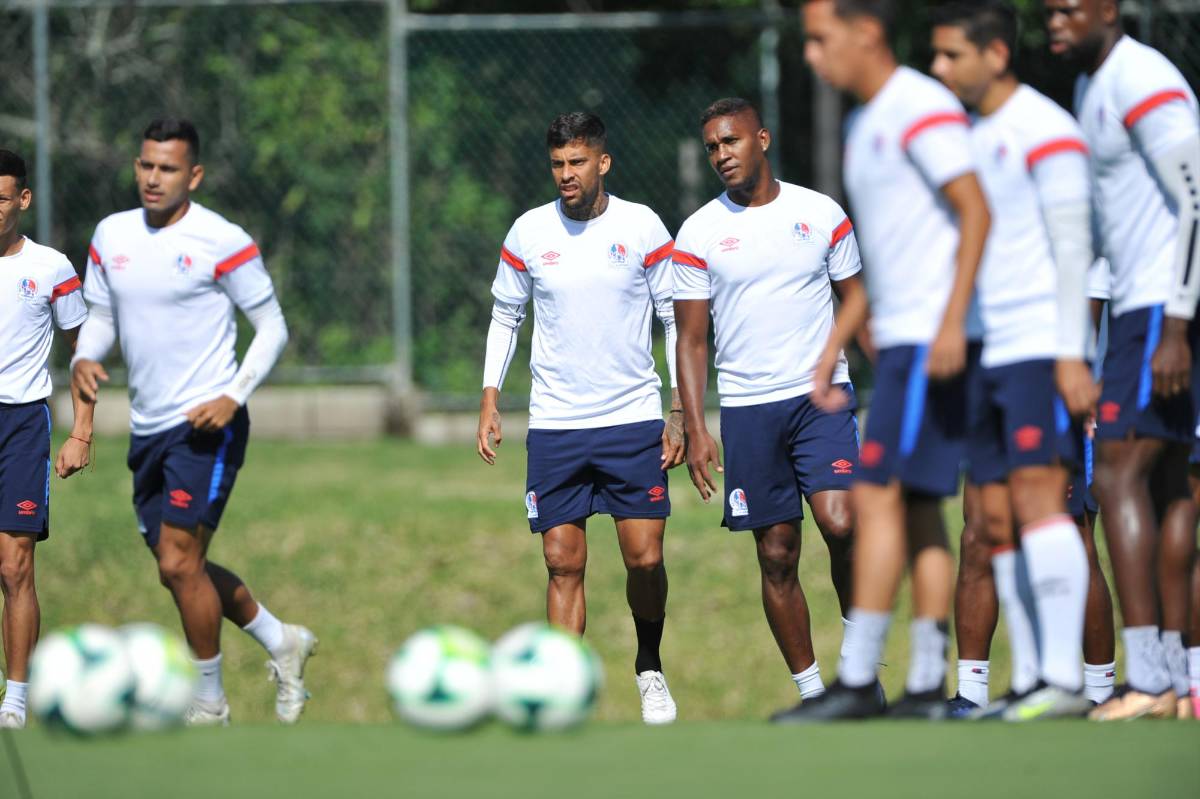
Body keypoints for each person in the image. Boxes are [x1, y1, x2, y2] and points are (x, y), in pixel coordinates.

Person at [71, 119, 314, 726]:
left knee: (180, 563)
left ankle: (210, 704)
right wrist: (84, 355)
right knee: (178, 569)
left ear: (194, 175)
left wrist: (233, 396)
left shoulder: (221, 240)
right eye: (146, 165)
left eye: (168, 168)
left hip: (207, 423)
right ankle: (281, 639)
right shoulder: (111, 234)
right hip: (146, 426)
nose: (153, 178)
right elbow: (101, 314)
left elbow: (273, 327)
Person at [789, 0, 991, 721]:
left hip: (931, 342)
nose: (811, 55)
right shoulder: (862, 125)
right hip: (902, 340)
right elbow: (882, 261)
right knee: (920, 508)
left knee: (875, 496)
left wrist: (952, 321)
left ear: (866, 32)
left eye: (821, 39)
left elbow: (977, 211)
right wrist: (835, 342)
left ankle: (855, 681)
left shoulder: (920, 106)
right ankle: (925, 684)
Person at [476, 111, 684, 725]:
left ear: (603, 162)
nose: (566, 174)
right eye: (557, 164)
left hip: (631, 420)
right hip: (556, 426)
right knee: (562, 562)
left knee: (645, 559)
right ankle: (565, 691)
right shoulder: (528, 231)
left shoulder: (642, 225)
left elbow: (674, 319)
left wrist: (679, 410)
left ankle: (649, 666)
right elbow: (506, 316)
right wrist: (490, 397)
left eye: (577, 162)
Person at [929, 0, 1100, 719]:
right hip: (982, 351)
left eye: (952, 55)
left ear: (995, 54)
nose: (938, 68)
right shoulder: (968, 136)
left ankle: (1063, 676)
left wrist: (1072, 355)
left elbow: (1075, 250)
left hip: (1036, 347)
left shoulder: (1047, 129)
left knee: (1037, 500)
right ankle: (1030, 678)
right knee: (993, 517)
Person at [672, 98, 866, 712]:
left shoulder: (820, 213)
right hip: (749, 408)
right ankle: (812, 693)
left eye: (730, 141)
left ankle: (859, 672)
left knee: (843, 523)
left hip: (821, 397)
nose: (721, 154)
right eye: (711, 146)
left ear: (762, 139)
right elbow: (691, 340)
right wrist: (695, 425)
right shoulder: (698, 232)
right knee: (777, 553)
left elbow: (857, 302)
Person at [1046, 0, 1200, 720]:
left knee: (1113, 471)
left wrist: (1176, 324)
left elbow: (1196, 198)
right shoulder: (1092, 84)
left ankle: (1148, 679)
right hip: (1145, 304)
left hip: (1160, 306)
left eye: (1068, 10)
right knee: (1165, 483)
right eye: (1049, 11)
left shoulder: (1144, 79)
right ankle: (1176, 677)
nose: (1055, 22)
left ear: (1106, 9)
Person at [0, 149, 93, 729]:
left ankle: (15, 700)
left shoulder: (52, 268)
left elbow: (84, 351)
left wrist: (82, 431)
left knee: (14, 566)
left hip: (21, 426)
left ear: (23, 200)